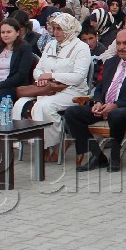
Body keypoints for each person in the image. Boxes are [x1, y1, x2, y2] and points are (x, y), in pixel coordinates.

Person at [63, 28, 126, 172]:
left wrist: (116, 105)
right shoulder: (110, 62)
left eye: (125, 43)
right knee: (72, 112)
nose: (121, 47)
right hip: (105, 105)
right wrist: (98, 101)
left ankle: (115, 156)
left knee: (116, 114)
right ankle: (96, 155)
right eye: (118, 43)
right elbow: (100, 88)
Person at [28, 11, 94, 157]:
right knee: (35, 107)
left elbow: (78, 77)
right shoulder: (50, 45)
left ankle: (55, 143)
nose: (55, 32)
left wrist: (52, 75)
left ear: (69, 29)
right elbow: (38, 69)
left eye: (59, 29)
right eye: (54, 28)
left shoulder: (81, 47)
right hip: (49, 89)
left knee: (45, 106)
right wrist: (42, 78)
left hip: (73, 90)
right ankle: (45, 146)